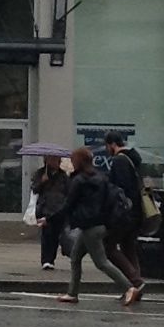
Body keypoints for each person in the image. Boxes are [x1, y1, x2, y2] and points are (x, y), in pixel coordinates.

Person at [54, 146, 143, 308]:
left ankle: (129, 288)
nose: (71, 164)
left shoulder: (79, 181)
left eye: (73, 161)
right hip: (100, 225)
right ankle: (72, 293)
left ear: (79, 162)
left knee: (101, 262)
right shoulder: (101, 178)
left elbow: (69, 204)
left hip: (90, 228)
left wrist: (49, 219)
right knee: (75, 257)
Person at [102, 132, 149, 291]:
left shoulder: (119, 161)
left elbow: (120, 189)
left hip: (125, 213)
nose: (107, 149)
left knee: (109, 247)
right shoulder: (133, 159)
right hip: (137, 211)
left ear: (112, 144)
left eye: (107, 146)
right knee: (128, 247)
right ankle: (136, 287)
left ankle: (136, 281)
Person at [31, 158, 71, 270]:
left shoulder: (63, 176)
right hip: (46, 207)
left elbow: (68, 191)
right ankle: (46, 260)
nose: (55, 163)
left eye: (57, 160)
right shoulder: (41, 173)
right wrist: (42, 182)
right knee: (47, 234)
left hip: (59, 208)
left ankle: (52, 257)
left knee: (57, 234)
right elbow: (34, 189)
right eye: (52, 160)